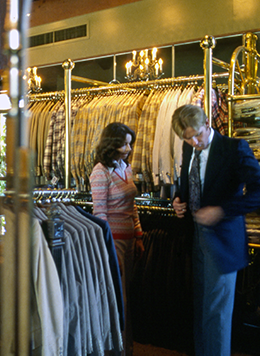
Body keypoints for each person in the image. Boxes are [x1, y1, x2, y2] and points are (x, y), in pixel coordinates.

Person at [171, 104, 260, 356]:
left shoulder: (233, 149)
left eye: (197, 135)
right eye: (187, 138)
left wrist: (222, 210)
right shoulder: (187, 146)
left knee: (217, 314)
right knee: (202, 308)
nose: (194, 142)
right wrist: (178, 200)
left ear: (207, 124)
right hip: (195, 236)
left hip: (223, 239)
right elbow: (187, 182)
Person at [89, 122, 144, 356]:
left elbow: (132, 207)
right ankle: (115, 349)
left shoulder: (125, 168)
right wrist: (107, 247)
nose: (129, 149)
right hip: (115, 241)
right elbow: (100, 213)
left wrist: (139, 234)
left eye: (130, 144)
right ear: (112, 144)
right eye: (124, 144)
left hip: (130, 239)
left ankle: (126, 346)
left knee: (126, 296)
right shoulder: (100, 172)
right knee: (117, 297)